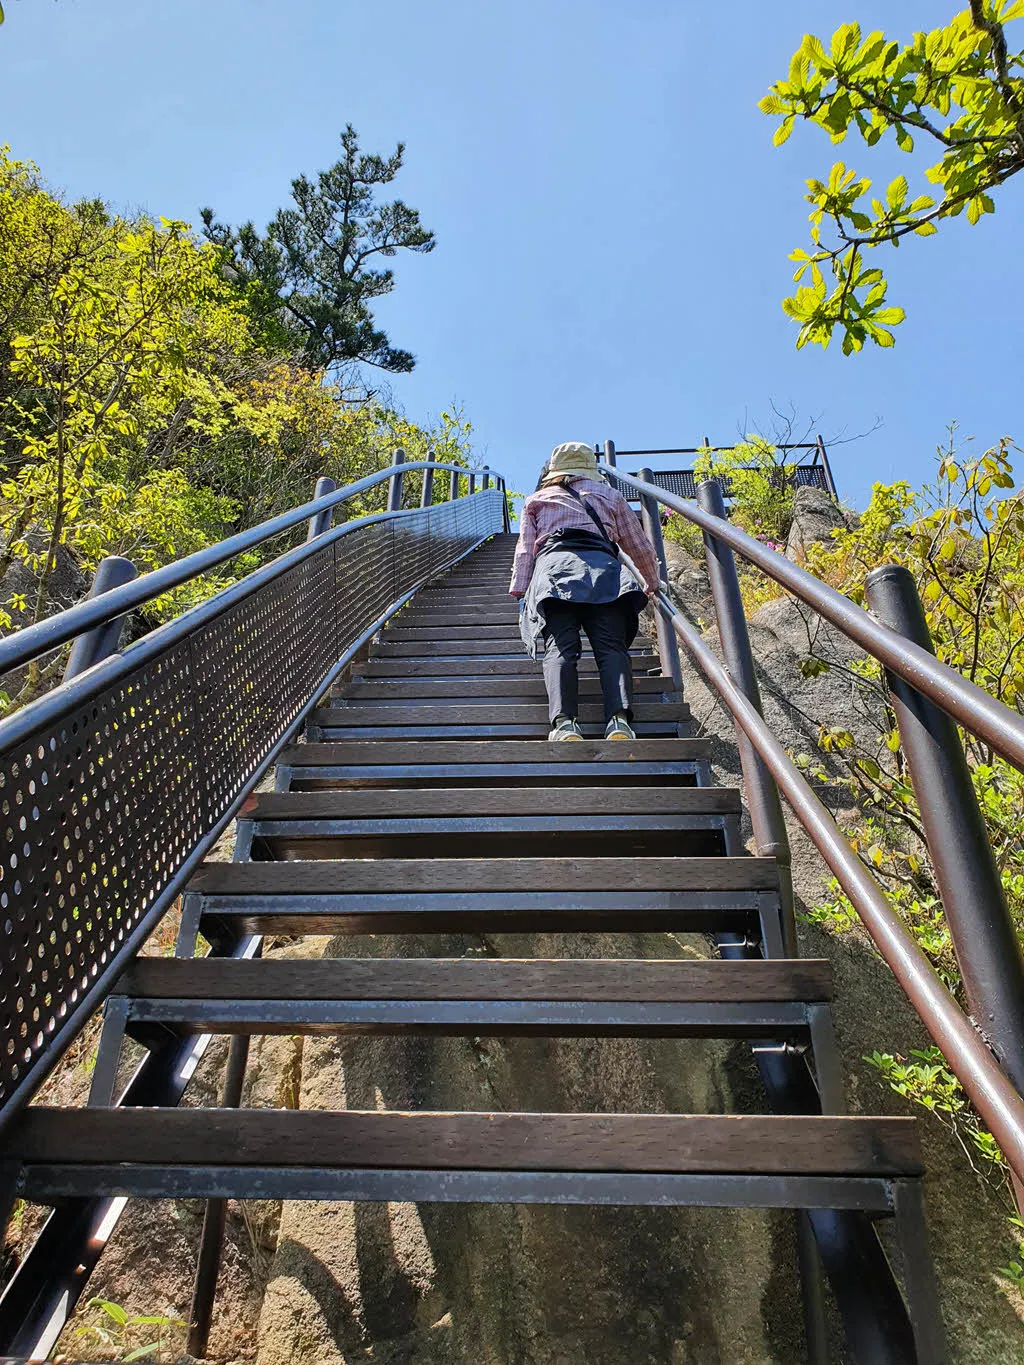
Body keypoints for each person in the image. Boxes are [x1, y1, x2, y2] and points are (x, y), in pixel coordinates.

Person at [509, 441, 661, 741]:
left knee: (561, 648)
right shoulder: (610, 495)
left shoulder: (536, 500)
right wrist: (651, 581)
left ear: (553, 471)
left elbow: (525, 551)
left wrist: (521, 589)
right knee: (611, 647)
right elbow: (638, 545)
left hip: (554, 575)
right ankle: (619, 721)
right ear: (590, 469)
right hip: (603, 573)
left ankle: (565, 724)